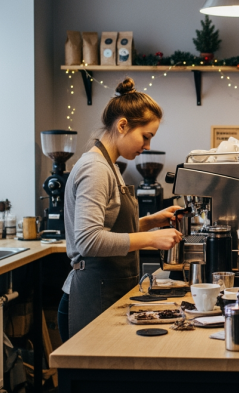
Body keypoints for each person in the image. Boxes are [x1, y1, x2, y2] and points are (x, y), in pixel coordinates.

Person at [58, 77, 184, 340]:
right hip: (92, 296)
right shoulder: (95, 169)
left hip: (107, 291)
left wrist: (150, 222)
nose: (148, 146)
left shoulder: (110, 165)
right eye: (145, 136)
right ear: (123, 125)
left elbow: (109, 228)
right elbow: (89, 241)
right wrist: (151, 239)